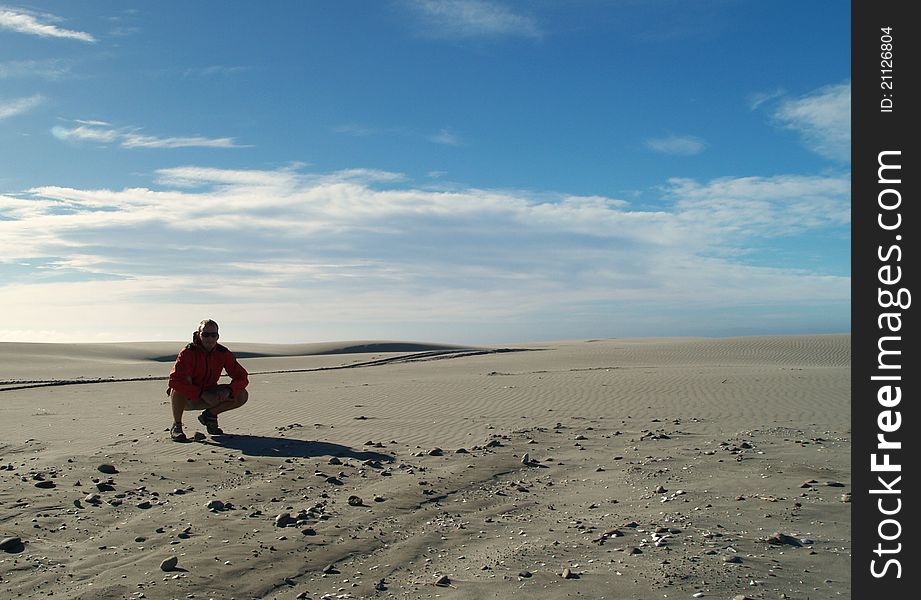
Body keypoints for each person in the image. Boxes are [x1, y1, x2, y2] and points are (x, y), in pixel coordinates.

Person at [167, 319, 249, 442]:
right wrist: (201, 393)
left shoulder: (223, 353)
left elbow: (242, 377)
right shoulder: (188, 352)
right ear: (198, 334)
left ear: (218, 336)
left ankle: (210, 415)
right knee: (177, 389)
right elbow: (174, 380)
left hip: (211, 394)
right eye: (205, 334)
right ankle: (177, 426)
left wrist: (228, 390)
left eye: (213, 335)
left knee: (241, 394)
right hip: (189, 398)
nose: (209, 338)